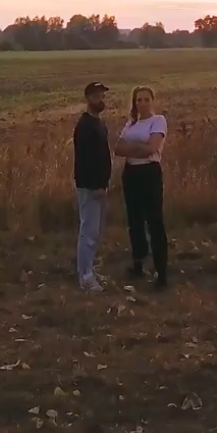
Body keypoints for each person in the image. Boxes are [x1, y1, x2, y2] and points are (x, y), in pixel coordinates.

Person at [116, 85, 168, 290]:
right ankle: (138, 264)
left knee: (154, 221)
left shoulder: (158, 121)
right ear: (134, 103)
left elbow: (152, 149)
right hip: (131, 174)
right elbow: (118, 148)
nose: (143, 103)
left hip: (149, 173)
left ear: (152, 101)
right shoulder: (131, 123)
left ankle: (161, 271)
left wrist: (134, 149)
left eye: (146, 99)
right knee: (134, 220)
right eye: (139, 100)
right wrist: (139, 148)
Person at [72, 81, 113, 291]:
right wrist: (96, 185)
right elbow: (85, 161)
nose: (101, 100)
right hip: (90, 187)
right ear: (88, 98)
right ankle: (85, 277)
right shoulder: (85, 126)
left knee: (95, 232)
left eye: (103, 96)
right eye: (97, 96)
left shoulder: (98, 122)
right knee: (88, 232)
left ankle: (89, 270)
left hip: (100, 186)